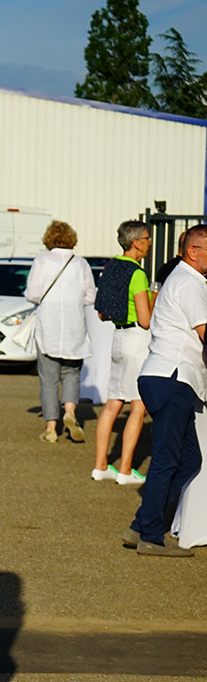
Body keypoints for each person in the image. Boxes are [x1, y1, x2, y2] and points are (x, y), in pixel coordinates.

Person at [124, 224, 207, 557]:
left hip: (163, 376)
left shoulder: (185, 280)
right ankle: (150, 536)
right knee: (168, 459)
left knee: (188, 459)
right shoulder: (189, 282)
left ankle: (140, 526)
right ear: (193, 252)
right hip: (172, 377)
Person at [92, 220, 152, 485]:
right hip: (136, 340)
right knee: (138, 405)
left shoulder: (111, 267)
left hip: (117, 337)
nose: (149, 243)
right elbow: (145, 320)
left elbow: (102, 313)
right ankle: (126, 470)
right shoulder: (138, 273)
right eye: (147, 238)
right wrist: (154, 298)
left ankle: (100, 466)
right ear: (136, 242)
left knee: (113, 403)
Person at [25, 221, 96, 445]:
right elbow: (90, 297)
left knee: (49, 380)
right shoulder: (81, 264)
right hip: (75, 328)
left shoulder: (41, 261)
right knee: (72, 374)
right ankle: (70, 412)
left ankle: (51, 428)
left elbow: (32, 294)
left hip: (48, 328)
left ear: (49, 238)